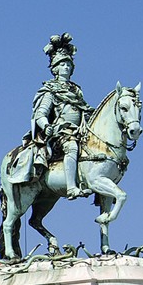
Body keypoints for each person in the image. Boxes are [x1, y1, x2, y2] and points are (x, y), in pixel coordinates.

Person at [30, 33, 91, 199]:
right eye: (62, 64)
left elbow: (82, 109)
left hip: (80, 131)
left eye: (68, 65)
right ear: (55, 68)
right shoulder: (50, 90)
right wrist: (47, 126)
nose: (66, 67)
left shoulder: (76, 91)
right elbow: (40, 114)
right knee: (72, 146)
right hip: (60, 132)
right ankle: (71, 187)